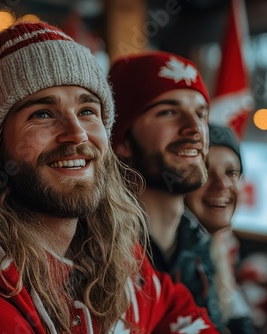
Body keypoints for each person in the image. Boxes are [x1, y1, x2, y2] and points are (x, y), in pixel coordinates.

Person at [0, 21, 217, 333]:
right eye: (42, 114)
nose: (76, 134)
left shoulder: (116, 254)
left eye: (87, 111)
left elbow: (180, 312)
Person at [109, 51, 240, 332]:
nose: (195, 129)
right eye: (169, 112)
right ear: (123, 142)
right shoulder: (98, 247)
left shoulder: (199, 243)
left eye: (200, 113)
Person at [185, 124, 254, 333]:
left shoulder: (219, 252)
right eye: (206, 171)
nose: (222, 184)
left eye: (232, 172)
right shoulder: (171, 258)